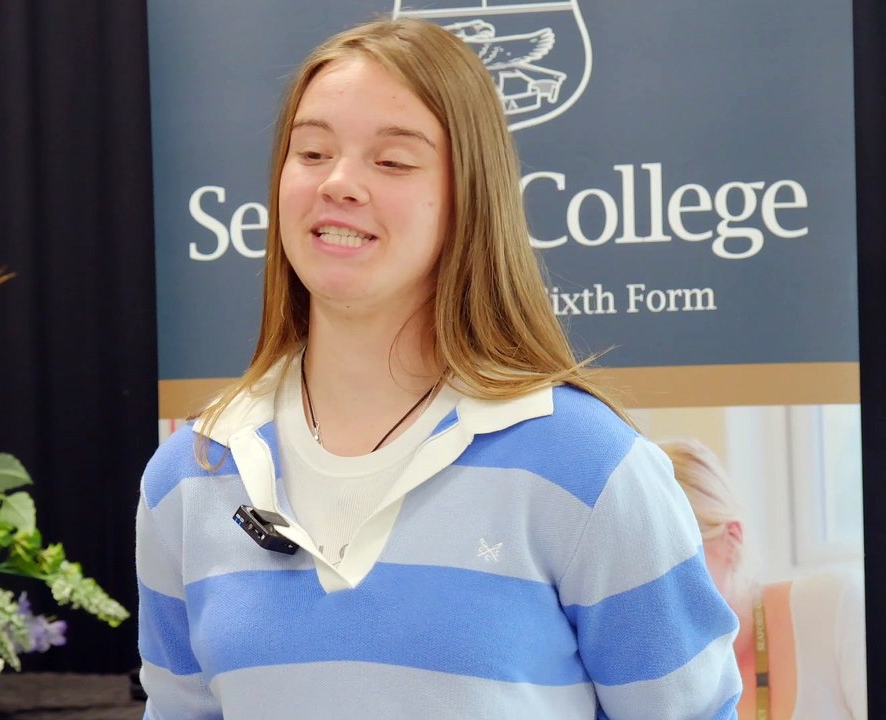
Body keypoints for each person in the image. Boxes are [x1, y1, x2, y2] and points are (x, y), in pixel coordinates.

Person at [136, 18, 741, 719]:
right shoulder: (189, 476)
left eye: (391, 161)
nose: (339, 182)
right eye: (311, 152)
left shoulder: (592, 469)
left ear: (468, 199)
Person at [659, 438, 867, 720]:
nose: (660, 589)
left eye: (677, 560)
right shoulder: (654, 673)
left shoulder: (840, 606)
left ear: (731, 540)